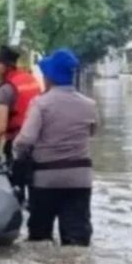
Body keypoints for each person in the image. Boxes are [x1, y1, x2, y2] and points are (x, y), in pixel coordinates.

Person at [12, 48, 98, 247]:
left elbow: (25, 140)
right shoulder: (89, 104)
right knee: (77, 240)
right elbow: (92, 132)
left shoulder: (41, 104)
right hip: (80, 178)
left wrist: (18, 156)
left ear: (49, 77)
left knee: (40, 238)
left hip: (46, 179)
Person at [0, 44, 42, 201]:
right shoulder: (31, 80)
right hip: (38, 144)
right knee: (35, 191)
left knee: (15, 193)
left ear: (3, 66)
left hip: (16, 145)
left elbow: (0, 128)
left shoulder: (5, 90)